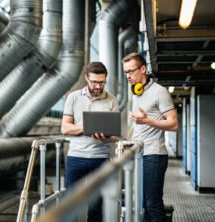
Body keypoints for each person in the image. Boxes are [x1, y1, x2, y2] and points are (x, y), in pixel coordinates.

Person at [122, 52, 178, 222]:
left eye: (131, 71)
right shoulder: (135, 93)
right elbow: (138, 125)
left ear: (143, 68)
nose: (128, 76)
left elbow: (173, 124)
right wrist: (130, 143)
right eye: (125, 72)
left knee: (152, 203)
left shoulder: (159, 92)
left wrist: (148, 121)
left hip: (154, 155)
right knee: (143, 204)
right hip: (139, 154)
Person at [61, 61, 119, 222]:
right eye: (94, 82)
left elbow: (114, 135)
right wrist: (87, 127)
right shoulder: (73, 97)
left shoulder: (112, 100)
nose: (98, 86)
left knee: (96, 207)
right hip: (76, 158)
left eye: (102, 82)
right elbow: (65, 128)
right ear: (87, 78)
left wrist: (106, 137)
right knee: (71, 204)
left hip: (101, 159)